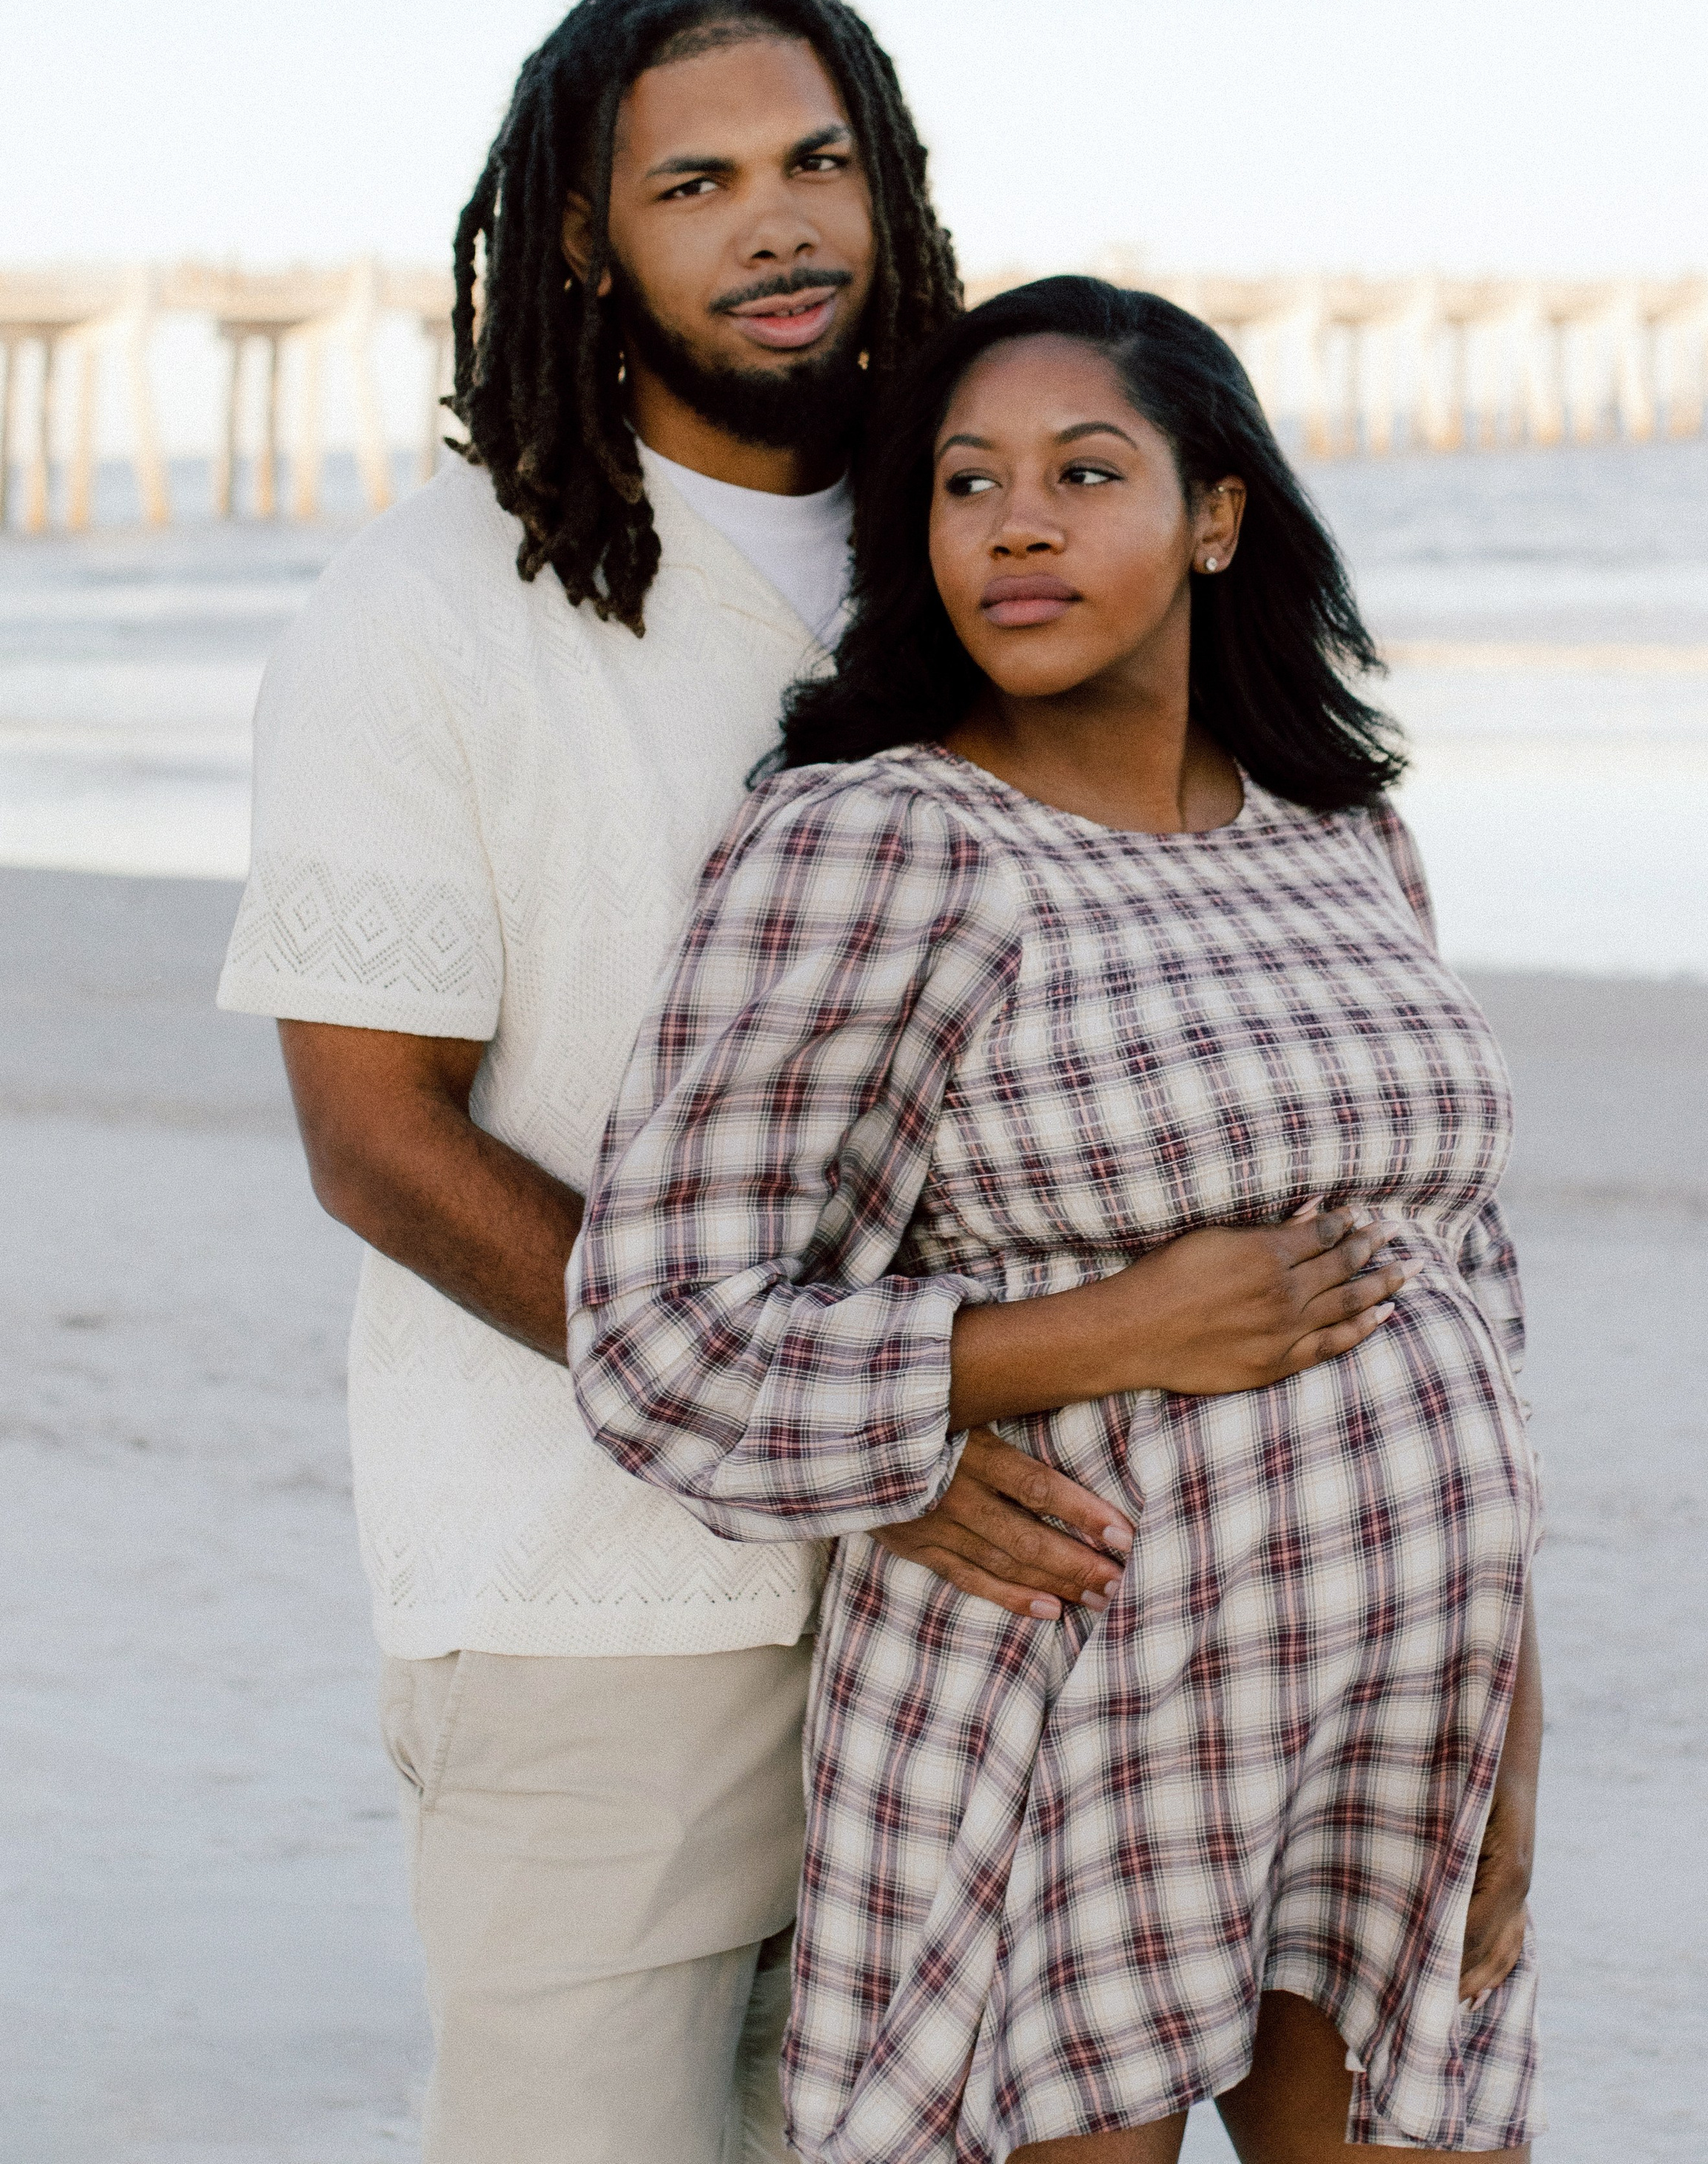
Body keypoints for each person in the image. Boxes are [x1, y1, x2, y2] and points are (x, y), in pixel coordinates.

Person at [573, 275, 1544, 2164]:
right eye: (962, 483)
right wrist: (1106, 1336)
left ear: (1214, 515)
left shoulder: (1342, 834)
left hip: (1390, 1690)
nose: (1013, 523)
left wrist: (1512, 1706)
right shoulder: (879, 844)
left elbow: (1472, 1288)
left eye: (1082, 472)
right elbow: (657, 1328)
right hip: (1069, 1696)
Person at [215, 0, 998, 2164]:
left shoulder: (983, 543)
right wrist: (830, 1436)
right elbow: (377, 1143)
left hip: (982, 1592)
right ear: (584, 236)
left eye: (820, 162)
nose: (780, 224)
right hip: (594, 1595)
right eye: (701, 181)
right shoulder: (427, 611)